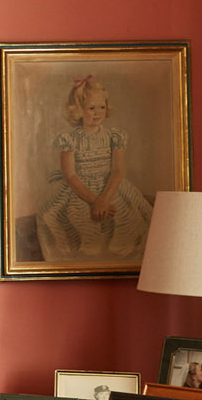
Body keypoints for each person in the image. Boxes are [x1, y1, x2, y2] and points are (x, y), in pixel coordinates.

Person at [35, 74, 153, 261]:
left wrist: (104, 199)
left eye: (101, 107)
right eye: (91, 108)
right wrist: (95, 200)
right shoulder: (70, 140)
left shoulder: (115, 136)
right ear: (78, 110)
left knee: (129, 221)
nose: (97, 113)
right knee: (62, 220)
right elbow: (70, 175)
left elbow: (118, 171)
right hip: (81, 190)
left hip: (112, 188)